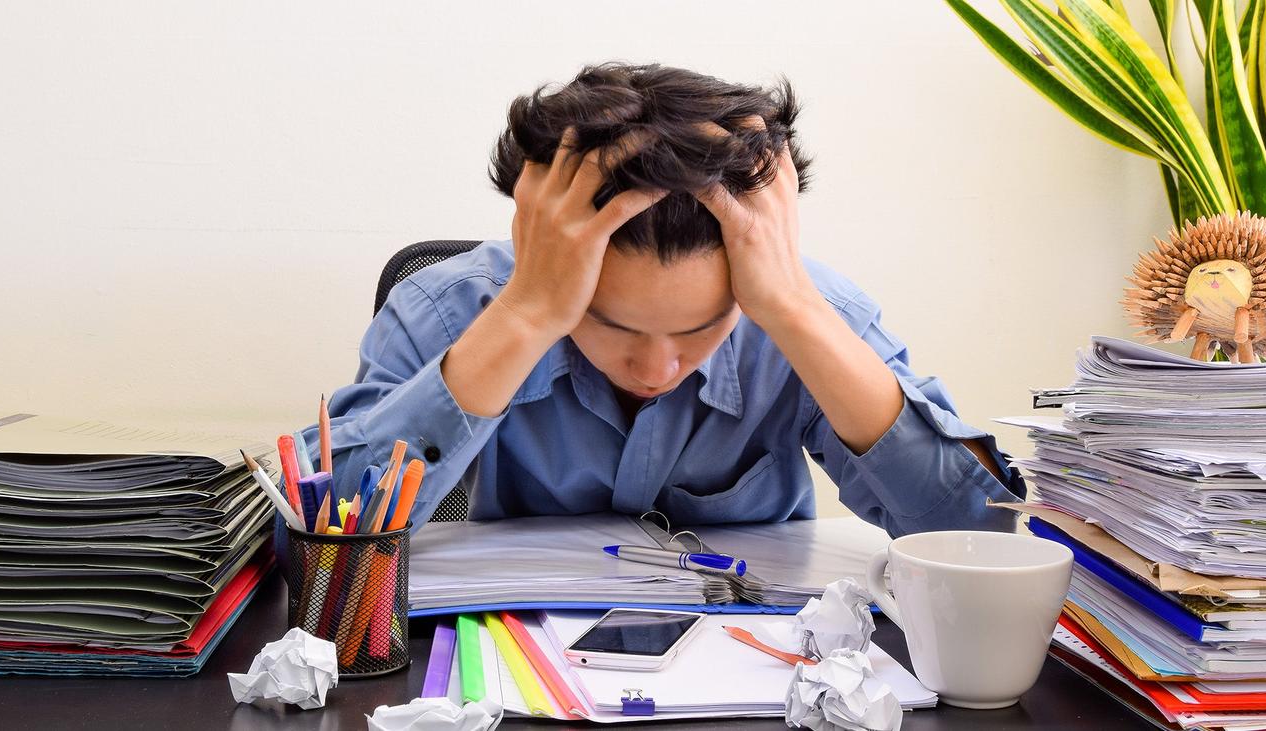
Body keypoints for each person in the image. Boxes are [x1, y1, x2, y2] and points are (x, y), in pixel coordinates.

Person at [300, 62, 1025, 538]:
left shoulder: (803, 311)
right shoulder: (446, 309)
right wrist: (525, 318)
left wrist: (797, 316)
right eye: (610, 324)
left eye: (701, 328)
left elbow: (980, 532)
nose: (656, 366)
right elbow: (313, 536)